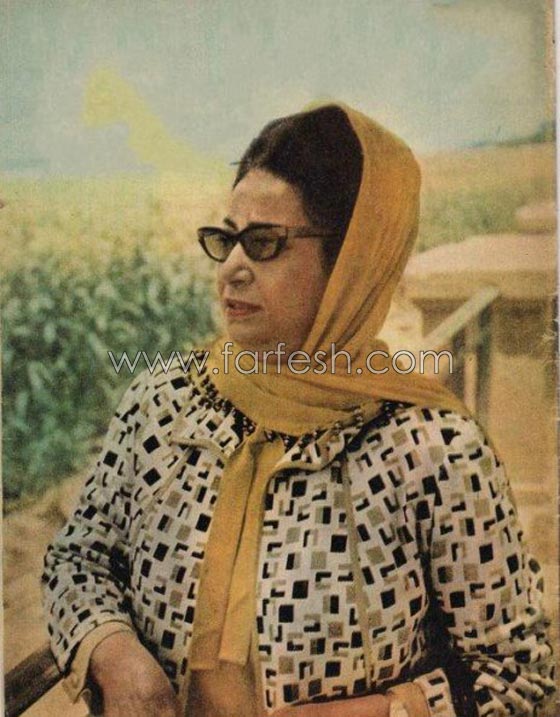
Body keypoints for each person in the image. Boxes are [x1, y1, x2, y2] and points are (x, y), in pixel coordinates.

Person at [42, 103, 555, 717]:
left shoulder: (433, 450)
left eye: (264, 243)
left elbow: (519, 674)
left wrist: (374, 713)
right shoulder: (162, 405)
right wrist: (116, 654)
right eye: (226, 240)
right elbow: (78, 559)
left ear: (352, 258)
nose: (232, 270)